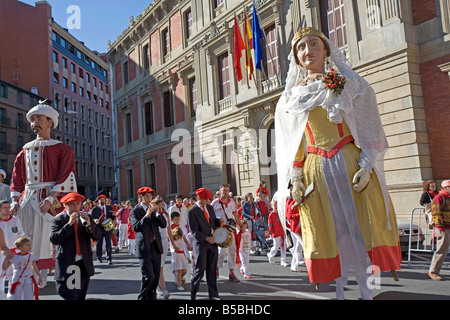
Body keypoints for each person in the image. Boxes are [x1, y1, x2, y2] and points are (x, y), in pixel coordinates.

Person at [274, 26, 402, 300]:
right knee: (329, 232)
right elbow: (293, 142)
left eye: (314, 44)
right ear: (296, 58)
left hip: (349, 162)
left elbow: (369, 128)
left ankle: (368, 291)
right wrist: (295, 176)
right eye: (301, 47)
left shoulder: (348, 83)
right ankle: (340, 291)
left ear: (326, 49)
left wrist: (367, 166)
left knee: (360, 228)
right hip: (315, 171)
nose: (308, 50)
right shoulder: (291, 97)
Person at [10, 102, 77, 287]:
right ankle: (25, 273)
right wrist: (15, 200)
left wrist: (51, 197)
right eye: (33, 120)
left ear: (50, 122)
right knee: (25, 237)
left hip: (47, 201)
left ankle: (43, 277)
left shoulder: (63, 149)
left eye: (39, 119)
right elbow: (17, 178)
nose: (34, 123)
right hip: (27, 199)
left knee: (45, 240)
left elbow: (66, 174)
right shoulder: (24, 150)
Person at [49, 192, 101, 300]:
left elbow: (97, 236)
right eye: (72, 204)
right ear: (65, 205)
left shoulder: (87, 217)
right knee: (70, 295)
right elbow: (55, 238)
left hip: (83, 263)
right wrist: (69, 225)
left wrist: (90, 225)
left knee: (80, 296)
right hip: (68, 264)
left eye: (78, 204)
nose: (76, 207)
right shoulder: (59, 219)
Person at [131, 187, 167, 300]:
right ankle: (141, 298)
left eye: (150, 196)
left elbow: (163, 224)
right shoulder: (135, 211)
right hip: (144, 247)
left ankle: (152, 298)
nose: (149, 198)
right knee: (148, 276)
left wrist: (159, 213)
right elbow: (136, 227)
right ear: (141, 197)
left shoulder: (154, 209)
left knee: (155, 278)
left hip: (156, 247)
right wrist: (146, 216)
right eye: (146, 196)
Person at [188, 187, 222, 300]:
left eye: (208, 199)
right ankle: (193, 293)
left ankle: (214, 295)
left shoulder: (210, 208)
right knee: (200, 270)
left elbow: (212, 222)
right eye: (205, 199)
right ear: (199, 198)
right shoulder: (192, 212)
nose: (207, 201)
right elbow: (194, 231)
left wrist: (219, 221)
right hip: (202, 244)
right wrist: (206, 238)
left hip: (213, 244)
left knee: (212, 270)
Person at [211, 183, 244, 283]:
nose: (225, 192)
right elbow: (210, 218)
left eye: (227, 190)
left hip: (230, 230)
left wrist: (241, 225)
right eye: (224, 190)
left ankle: (231, 272)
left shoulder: (232, 202)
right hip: (219, 230)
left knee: (232, 251)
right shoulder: (215, 203)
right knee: (221, 252)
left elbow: (235, 215)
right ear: (220, 191)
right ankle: (216, 269)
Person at [3, 236, 42, 300]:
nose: (29, 246)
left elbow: (35, 267)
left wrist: (39, 277)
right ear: (20, 247)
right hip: (17, 280)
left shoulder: (31, 256)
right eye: (27, 245)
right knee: (16, 298)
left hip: (28, 279)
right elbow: (4, 267)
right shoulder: (14, 257)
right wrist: (6, 260)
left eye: (30, 244)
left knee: (29, 298)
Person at [0, 200, 25, 300]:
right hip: (1, 254)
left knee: (13, 278)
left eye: (8, 207)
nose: (7, 210)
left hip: (14, 253)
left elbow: (21, 235)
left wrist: (21, 251)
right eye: (4, 207)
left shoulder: (15, 221)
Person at [428, 180, 450, 280]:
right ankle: (433, 272)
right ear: (445, 188)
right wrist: (440, 227)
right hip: (443, 227)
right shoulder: (439, 197)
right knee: (442, 250)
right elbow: (436, 213)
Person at [155, 195, 171, 300]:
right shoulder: (154, 215)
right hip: (157, 241)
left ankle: (157, 286)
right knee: (159, 267)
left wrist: (173, 243)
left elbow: (168, 229)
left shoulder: (166, 214)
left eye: (162, 201)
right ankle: (163, 289)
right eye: (159, 201)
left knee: (161, 266)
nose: (162, 203)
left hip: (165, 241)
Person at [91, 194, 115, 264]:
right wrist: (95, 220)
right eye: (101, 199)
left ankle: (109, 258)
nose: (102, 200)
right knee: (99, 243)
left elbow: (112, 218)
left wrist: (113, 216)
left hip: (107, 227)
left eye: (103, 199)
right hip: (99, 227)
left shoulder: (109, 208)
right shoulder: (95, 209)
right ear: (98, 201)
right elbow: (91, 218)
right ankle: (99, 257)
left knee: (108, 243)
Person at [285, 192, 304, 272]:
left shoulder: (301, 202)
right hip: (295, 228)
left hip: (300, 228)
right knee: (303, 244)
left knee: (298, 249)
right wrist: (299, 214)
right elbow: (289, 216)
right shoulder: (292, 203)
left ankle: (294, 266)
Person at [267, 199, 288, 267]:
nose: (276, 207)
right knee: (276, 247)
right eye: (274, 205)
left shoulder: (281, 213)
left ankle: (283, 261)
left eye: (277, 205)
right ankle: (270, 254)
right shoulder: (271, 215)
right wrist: (273, 232)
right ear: (272, 206)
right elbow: (270, 225)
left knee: (283, 247)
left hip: (282, 233)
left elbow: (284, 222)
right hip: (276, 234)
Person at [171, 226, 189, 291]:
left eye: (180, 237)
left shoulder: (181, 240)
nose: (179, 238)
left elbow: (184, 248)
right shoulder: (173, 241)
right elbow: (171, 248)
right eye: (177, 237)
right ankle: (179, 285)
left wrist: (186, 255)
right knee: (179, 271)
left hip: (182, 256)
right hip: (177, 256)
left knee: (184, 270)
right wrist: (174, 249)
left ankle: (179, 278)